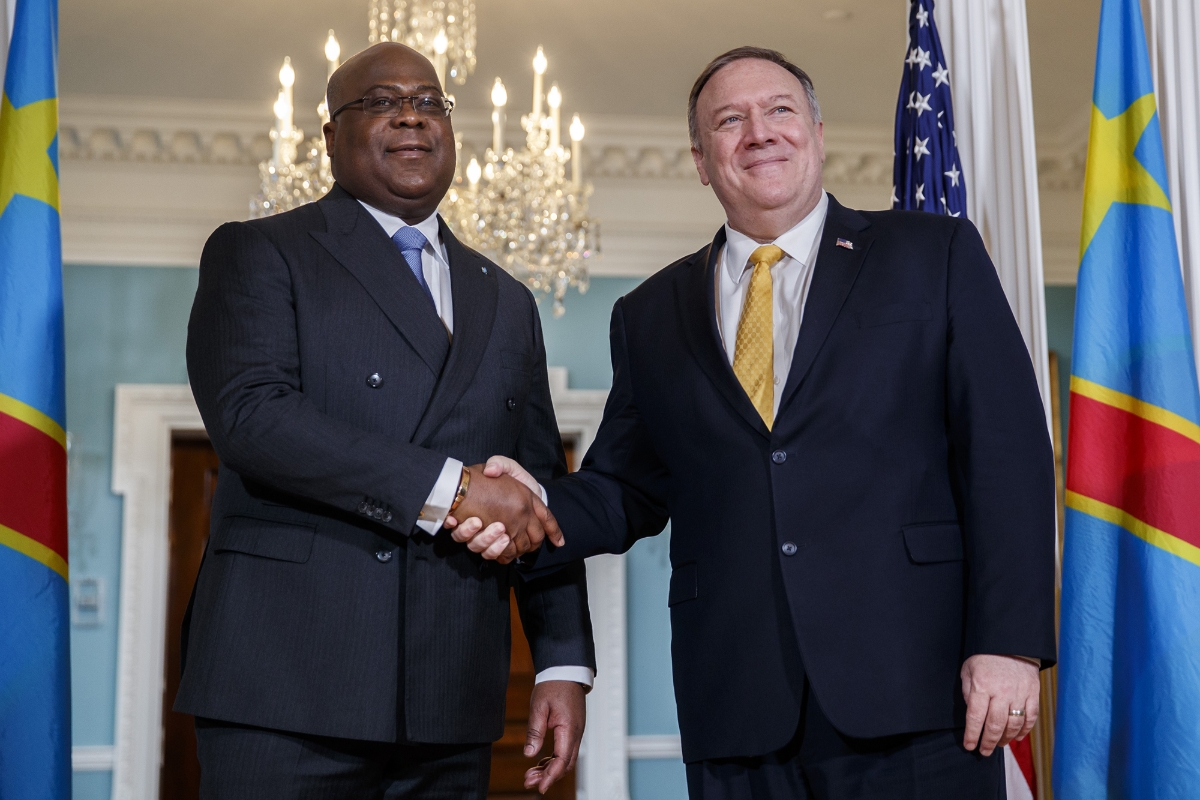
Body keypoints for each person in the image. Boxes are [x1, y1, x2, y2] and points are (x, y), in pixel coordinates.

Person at [454, 46, 1056, 798]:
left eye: (779, 110)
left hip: (918, 691)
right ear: (703, 160)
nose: (759, 132)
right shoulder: (650, 314)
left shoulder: (931, 256)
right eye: (729, 121)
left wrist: (1009, 643)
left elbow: (1008, 457)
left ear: (817, 130)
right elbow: (624, 486)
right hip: (738, 705)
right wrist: (528, 500)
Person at [179, 41, 593, 799]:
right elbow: (252, 417)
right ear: (329, 137)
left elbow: (538, 491)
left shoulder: (507, 300)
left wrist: (563, 664)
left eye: (430, 101)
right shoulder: (260, 251)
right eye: (379, 100)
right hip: (285, 684)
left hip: (449, 693)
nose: (410, 114)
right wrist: (453, 491)